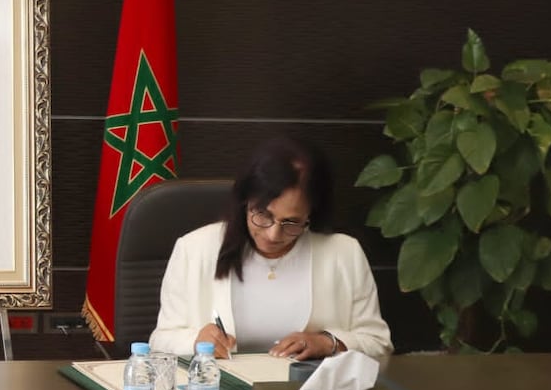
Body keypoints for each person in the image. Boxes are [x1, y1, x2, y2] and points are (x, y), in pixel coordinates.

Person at [149, 137, 392, 360]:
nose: (273, 234)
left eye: (292, 222)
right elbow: (160, 340)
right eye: (263, 215)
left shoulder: (344, 253)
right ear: (245, 202)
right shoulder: (194, 249)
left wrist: (329, 343)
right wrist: (196, 341)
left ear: (311, 214)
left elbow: (378, 342)